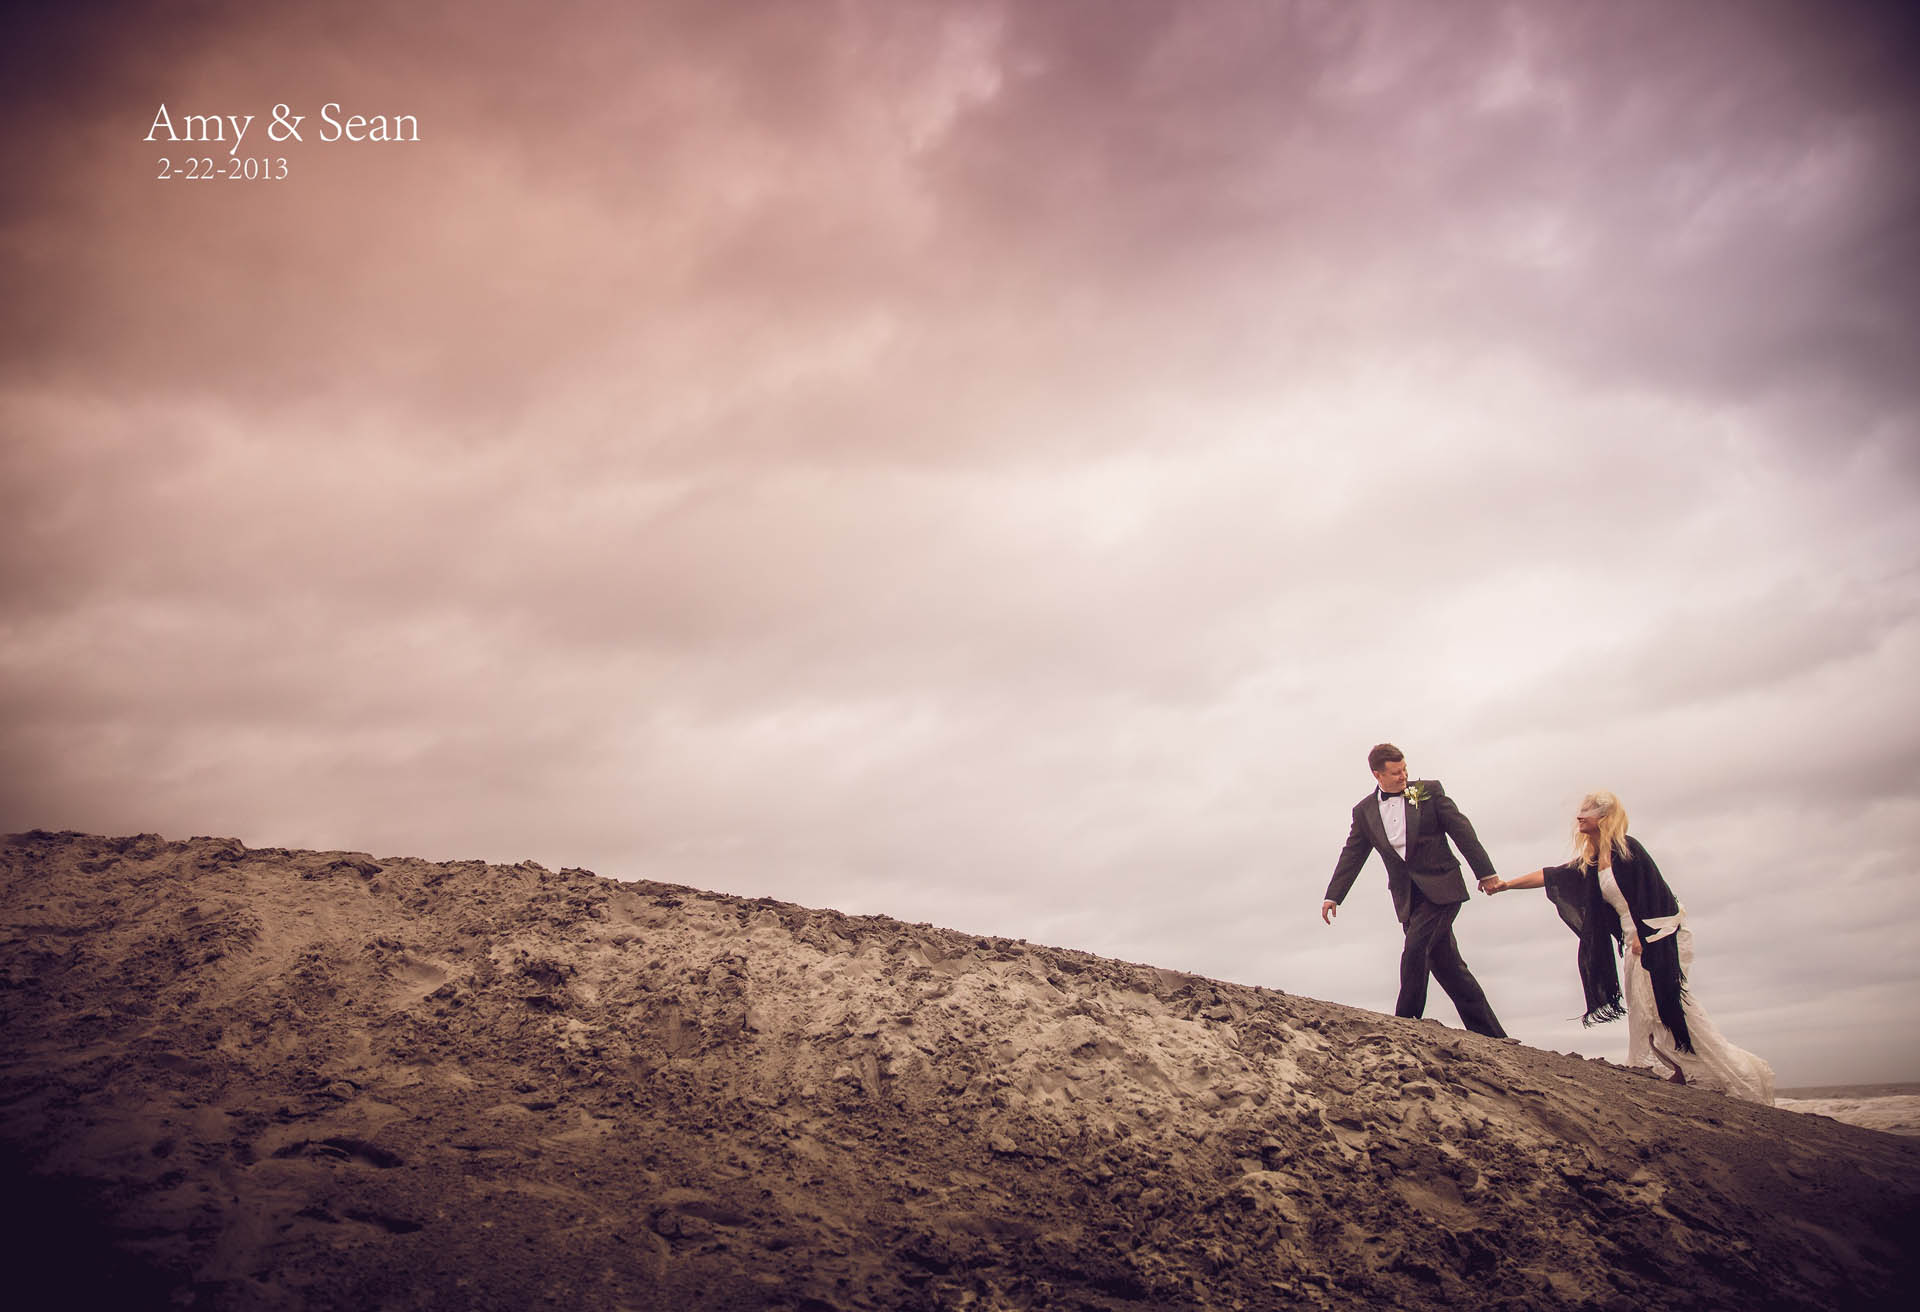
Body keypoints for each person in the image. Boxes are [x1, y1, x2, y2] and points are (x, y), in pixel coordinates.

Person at [1488, 790, 1773, 1104]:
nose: (1580, 815)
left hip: (1659, 938)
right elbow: (1551, 875)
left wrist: (1644, 934)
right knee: (1643, 1009)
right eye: (1581, 810)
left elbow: (1658, 895)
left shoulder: (1628, 849)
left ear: (1605, 817)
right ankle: (1676, 1069)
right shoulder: (1594, 860)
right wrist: (1506, 885)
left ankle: (1734, 1075)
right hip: (1634, 941)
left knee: (1670, 1006)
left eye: (1589, 810)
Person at [1321, 743, 1507, 1038]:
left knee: (1415, 950)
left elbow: (1462, 831)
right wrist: (1334, 895)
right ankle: (1493, 1035)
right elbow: (1353, 854)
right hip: (1408, 897)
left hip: (1443, 888)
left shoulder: (1430, 792)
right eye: (1396, 773)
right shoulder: (1364, 811)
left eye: (1405, 769)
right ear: (1377, 774)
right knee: (1450, 969)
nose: (1403, 776)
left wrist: (1486, 873)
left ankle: (1404, 1023)